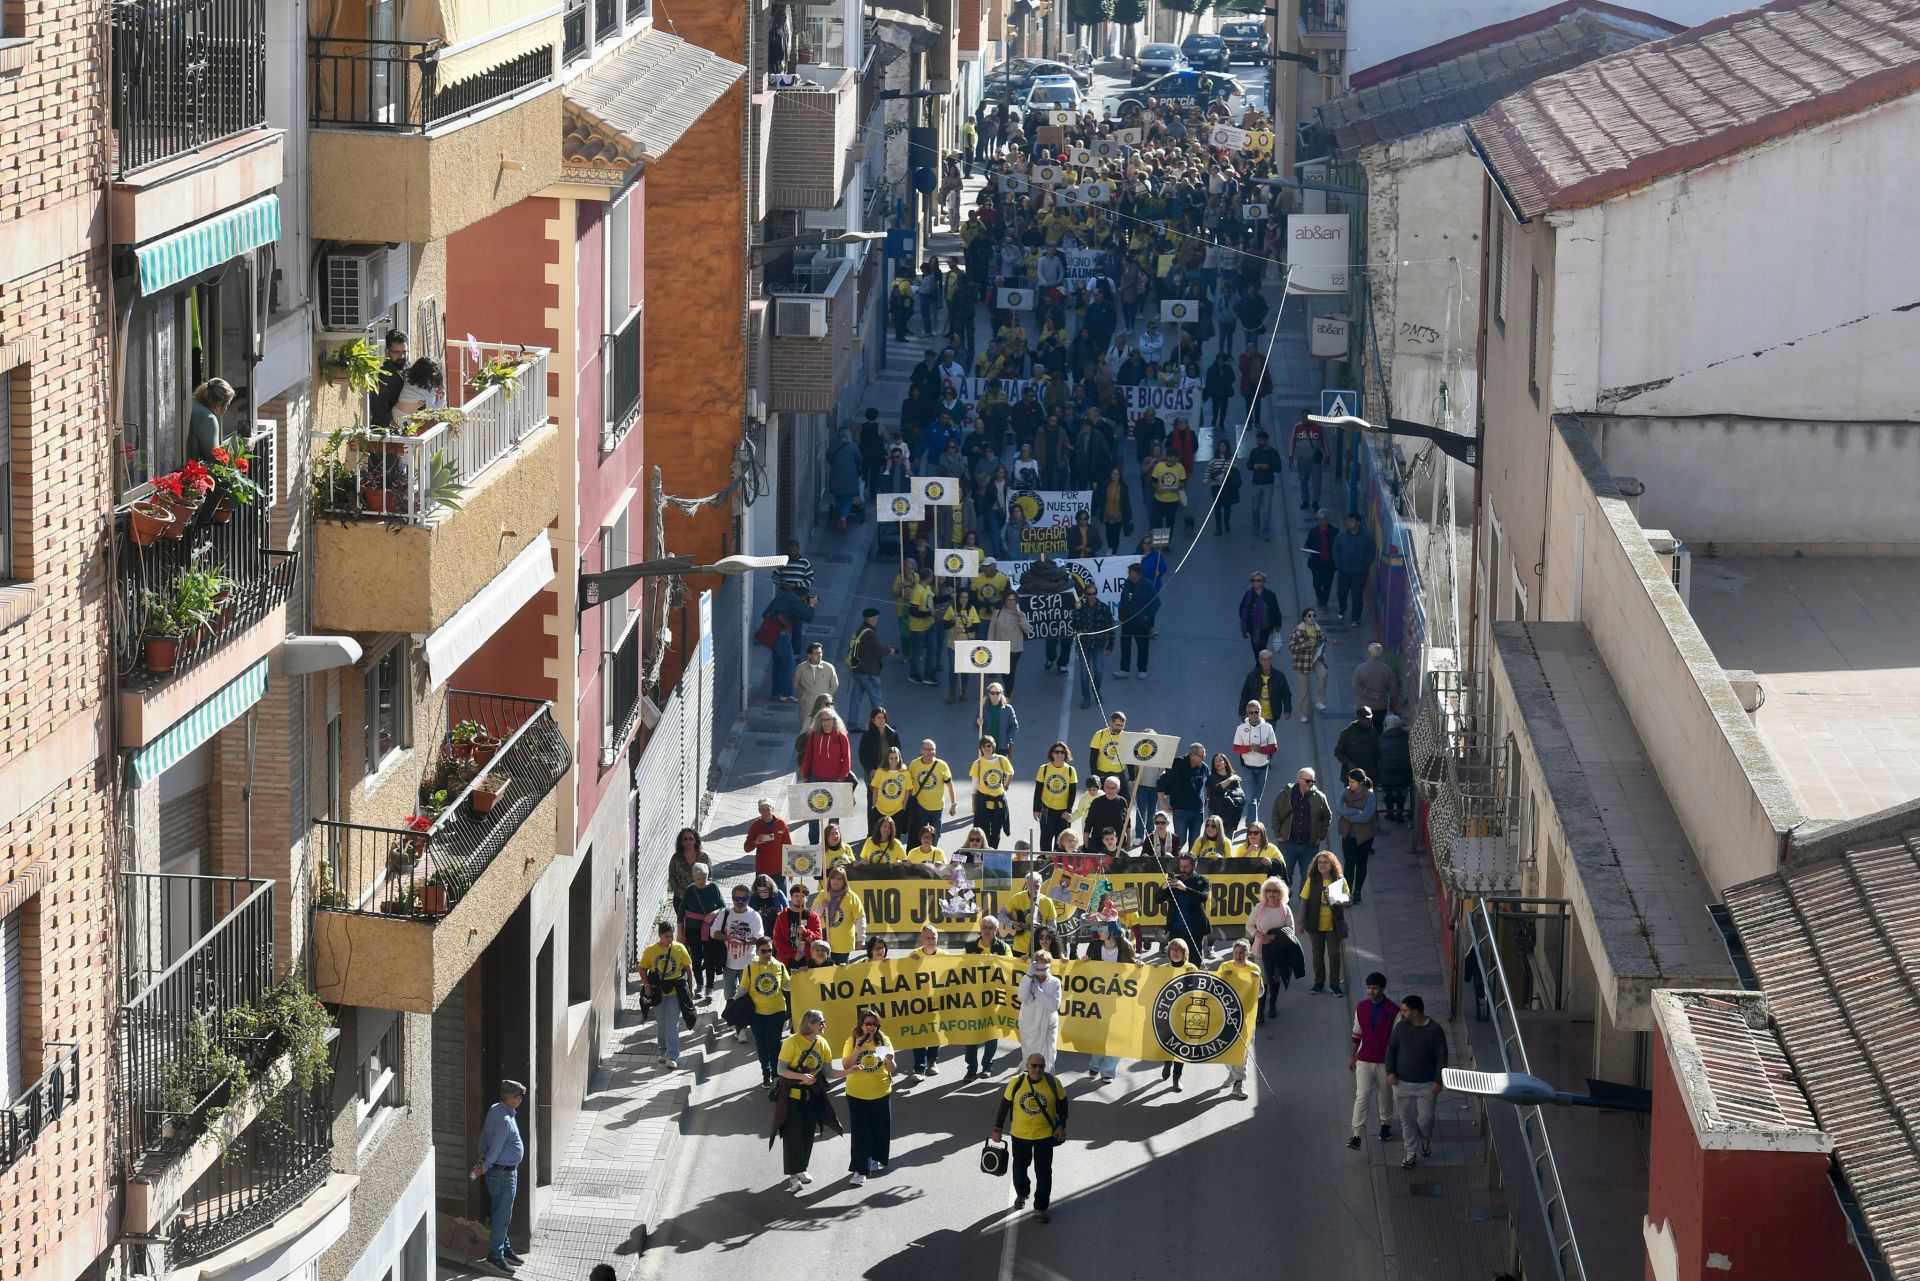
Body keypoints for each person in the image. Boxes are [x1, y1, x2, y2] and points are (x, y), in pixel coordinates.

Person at [992, 1053, 1069, 1224]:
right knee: (1019, 1169)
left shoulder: (1052, 1082)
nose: (1037, 1069)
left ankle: (1040, 1207)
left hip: (1045, 1136)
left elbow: (1063, 1102)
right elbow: (1004, 1106)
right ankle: (1022, 1192)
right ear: (1027, 1067)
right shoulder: (1016, 1082)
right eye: (1034, 1066)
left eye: (1041, 1066)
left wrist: (1061, 1124)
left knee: (1043, 1172)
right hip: (1020, 1135)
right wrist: (997, 1129)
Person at [774, 1010, 841, 1192]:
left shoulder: (822, 1043)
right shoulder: (792, 1042)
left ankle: (801, 1169)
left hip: (812, 1098)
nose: (823, 1025)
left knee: (807, 1135)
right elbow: (781, 1069)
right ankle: (793, 1176)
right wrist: (801, 1076)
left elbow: (828, 1072)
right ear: (810, 1024)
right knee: (792, 1136)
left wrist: (849, 1072)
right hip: (792, 1098)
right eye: (821, 1022)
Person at [1387, 994, 1448, 1169]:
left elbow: (1442, 1057)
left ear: (1415, 1012)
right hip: (1402, 1084)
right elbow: (1391, 1050)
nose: (1401, 1013)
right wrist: (1390, 1071)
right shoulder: (1400, 1028)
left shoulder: (1435, 1031)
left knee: (1425, 1120)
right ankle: (1410, 1152)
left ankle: (1426, 1139)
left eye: (1404, 1010)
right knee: (1406, 1120)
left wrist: (1438, 1080)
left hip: (1427, 1085)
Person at [472, 1080, 527, 1272]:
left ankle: (504, 1250)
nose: (520, 1100)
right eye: (518, 1097)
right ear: (511, 1098)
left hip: (500, 1172)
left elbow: (485, 1135)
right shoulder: (503, 1119)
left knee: (499, 1213)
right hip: (503, 1174)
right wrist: (485, 1165)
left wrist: (481, 1155)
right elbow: (495, 1148)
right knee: (502, 1216)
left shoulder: (495, 1109)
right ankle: (495, 1256)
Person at [839, 1007, 896, 1186]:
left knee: (880, 1128)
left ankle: (876, 1158)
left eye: (874, 1024)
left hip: (880, 1091)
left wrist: (889, 1059)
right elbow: (846, 1064)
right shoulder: (853, 1040)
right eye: (868, 1024)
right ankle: (859, 1169)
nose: (871, 1027)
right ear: (861, 1026)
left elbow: (892, 1068)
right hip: (857, 1093)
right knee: (860, 1132)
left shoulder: (883, 1040)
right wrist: (858, 1049)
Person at [1080, 923, 1135, 1082]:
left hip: (1120, 1000)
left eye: (1102, 928)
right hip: (1099, 999)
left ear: (1112, 930)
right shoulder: (1095, 945)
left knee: (1116, 1034)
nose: (1099, 931)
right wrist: (1083, 962)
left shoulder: (1125, 946)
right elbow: (1087, 969)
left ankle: (1108, 1071)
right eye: (1098, 928)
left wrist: (1138, 964)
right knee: (1099, 1033)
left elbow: (1135, 971)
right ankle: (1095, 1065)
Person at [1347, 972, 1397, 1151]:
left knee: (1385, 1095)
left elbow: (1396, 1040)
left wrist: (1394, 1067)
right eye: (1368, 987)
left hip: (1385, 1062)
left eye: (1374, 988)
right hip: (1364, 1060)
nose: (1370, 991)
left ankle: (1385, 1125)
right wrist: (1352, 1057)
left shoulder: (1394, 1010)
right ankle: (1356, 1135)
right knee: (1361, 1097)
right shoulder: (1361, 1008)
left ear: (1382, 988)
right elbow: (1356, 1033)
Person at [638, 921, 694, 1067]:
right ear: (660, 936)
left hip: (675, 991)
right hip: (658, 991)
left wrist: (691, 989)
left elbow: (688, 969)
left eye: (671, 936)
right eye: (666, 936)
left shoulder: (679, 948)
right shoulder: (651, 951)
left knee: (671, 1022)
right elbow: (643, 968)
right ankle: (662, 1051)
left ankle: (673, 1056)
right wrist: (647, 985)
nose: (670, 939)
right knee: (661, 1022)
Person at [963, 918, 1011, 1079]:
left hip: (994, 998)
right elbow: (960, 968)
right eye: (984, 927)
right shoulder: (969, 947)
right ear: (980, 928)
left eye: (991, 927)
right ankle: (971, 1068)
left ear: (996, 930)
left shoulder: (1004, 948)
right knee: (971, 1034)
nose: (987, 930)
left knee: (991, 1033)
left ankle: (987, 1066)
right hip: (974, 998)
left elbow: (1010, 969)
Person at [1299, 850, 1351, 995]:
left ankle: (1334, 984)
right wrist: (1300, 922)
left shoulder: (1339, 879)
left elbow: (1348, 898)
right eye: (1320, 862)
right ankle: (1319, 983)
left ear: (1332, 864)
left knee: (1334, 954)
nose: (1322, 865)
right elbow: (1304, 901)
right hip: (1315, 926)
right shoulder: (1312, 879)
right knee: (1317, 955)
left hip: (1334, 925)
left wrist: (1342, 899)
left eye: (1325, 862)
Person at [1216, 940, 1264, 1099]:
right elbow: (1215, 989)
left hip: (1245, 1018)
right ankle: (1232, 1073)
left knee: (1242, 1051)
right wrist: (1223, 977)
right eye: (1236, 953)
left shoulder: (1254, 969)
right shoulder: (1225, 967)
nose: (1238, 956)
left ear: (1248, 954)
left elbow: (1260, 993)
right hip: (1227, 1016)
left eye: (1242, 953)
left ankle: (1238, 1084)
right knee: (1225, 1050)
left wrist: (1257, 981)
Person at [1246, 877, 1298, 1021]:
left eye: (1275, 891)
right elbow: (1249, 926)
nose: (1271, 893)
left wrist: (1274, 937)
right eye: (1268, 890)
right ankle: (1260, 1011)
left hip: (1279, 951)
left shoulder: (1285, 909)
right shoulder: (1258, 908)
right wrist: (1260, 935)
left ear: (1280, 893)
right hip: (1261, 950)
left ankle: (1273, 1004)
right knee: (1262, 980)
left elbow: (1291, 929)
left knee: (1275, 978)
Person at [744, 938, 791, 1086]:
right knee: (761, 1044)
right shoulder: (750, 967)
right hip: (756, 1014)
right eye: (763, 951)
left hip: (776, 1011)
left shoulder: (779, 966)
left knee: (774, 1044)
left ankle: (776, 1075)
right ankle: (766, 1072)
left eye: (769, 950)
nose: (767, 954)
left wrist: (797, 976)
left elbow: (787, 987)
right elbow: (743, 989)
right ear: (757, 951)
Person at [1156, 938, 1200, 1091]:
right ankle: (1167, 1062)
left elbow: (1197, 991)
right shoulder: (1163, 968)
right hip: (1166, 1015)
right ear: (1168, 952)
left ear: (1184, 953)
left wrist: (1191, 977)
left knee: (1181, 1047)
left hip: (1184, 1014)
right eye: (1172, 949)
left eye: (1178, 950)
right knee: (1168, 1044)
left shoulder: (1191, 968)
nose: (1175, 952)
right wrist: (1152, 972)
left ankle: (1177, 1076)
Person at [763, 578, 816, 703]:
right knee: (790, 664)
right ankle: (785, 694)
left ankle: (776, 693)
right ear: (803, 597)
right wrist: (811, 605)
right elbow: (808, 616)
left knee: (778, 663)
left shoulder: (785, 597)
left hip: (771, 634)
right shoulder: (794, 600)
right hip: (781, 635)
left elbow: (765, 613)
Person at [716, 883, 768, 1010]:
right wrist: (727, 938)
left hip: (747, 963)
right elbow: (714, 932)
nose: (739, 902)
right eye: (736, 899)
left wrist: (744, 942)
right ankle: (731, 1017)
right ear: (732, 898)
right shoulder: (725, 913)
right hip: (728, 963)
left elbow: (759, 938)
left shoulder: (754, 916)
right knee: (729, 996)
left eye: (743, 899)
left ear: (748, 899)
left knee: (746, 996)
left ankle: (743, 1022)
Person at [677, 863, 725, 1001]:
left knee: (709, 958)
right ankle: (700, 985)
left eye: (704, 877)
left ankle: (710, 987)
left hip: (710, 929)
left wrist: (714, 913)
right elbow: (681, 913)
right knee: (696, 959)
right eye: (698, 879)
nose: (702, 881)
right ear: (693, 878)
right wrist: (680, 933)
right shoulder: (689, 890)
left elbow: (722, 907)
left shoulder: (713, 887)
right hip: (693, 930)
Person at [905, 926, 946, 1077]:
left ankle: (932, 1062)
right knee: (919, 1034)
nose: (930, 941)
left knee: (935, 1032)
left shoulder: (945, 956)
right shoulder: (913, 955)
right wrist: (910, 963)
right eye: (927, 938)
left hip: (938, 1002)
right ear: (922, 939)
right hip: (918, 1003)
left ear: (937, 939)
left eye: (933, 937)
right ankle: (919, 1068)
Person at [1336, 769, 1381, 904]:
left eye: (1352, 782)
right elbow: (1340, 809)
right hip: (1348, 835)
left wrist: (1348, 816)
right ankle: (1347, 892)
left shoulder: (1370, 795)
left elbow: (1366, 817)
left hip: (1364, 836)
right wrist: (1355, 811)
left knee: (1361, 864)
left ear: (1360, 782)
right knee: (1349, 864)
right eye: (1349, 781)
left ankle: (1358, 892)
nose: (1349, 784)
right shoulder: (1345, 792)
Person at [1230, 700, 1278, 822]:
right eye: (1251, 712)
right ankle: (1251, 824)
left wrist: (1261, 749)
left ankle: (1251, 820)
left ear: (1260, 713)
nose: (1253, 715)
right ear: (1247, 714)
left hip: (1263, 766)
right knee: (1251, 797)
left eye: (1256, 712)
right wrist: (1249, 748)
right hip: (1247, 767)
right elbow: (1235, 748)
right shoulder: (1241, 728)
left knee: (1258, 797)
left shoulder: (1268, 728)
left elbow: (1274, 747)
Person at [1018, 951, 1063, 1071]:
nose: (1041, 969)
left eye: (1044, 965)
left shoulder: (1055, 982)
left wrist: (1038, 991)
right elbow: (1022, 997)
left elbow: (1054, 1005)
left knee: (1048, 1058)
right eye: (1038, 965)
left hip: (1048, 1026)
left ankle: (1048, 1082)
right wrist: (1028, 976)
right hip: (1030, 1027)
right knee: (1030, 1058)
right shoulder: (1028, 980)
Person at [1070, 585, 1114, 709]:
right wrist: (1077, 614)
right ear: (1085, 595)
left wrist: (1110, 646)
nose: (1092, 596)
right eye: (1089, 594)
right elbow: (1074, 624)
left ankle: (1096, 689)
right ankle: (1086, 697)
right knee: (1084, 673)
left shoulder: (1104, 608)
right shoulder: (1080, 608)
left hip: (1099, 645)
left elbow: (1110, 627)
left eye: (1094, 593)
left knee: (1099, 671)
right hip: (1083, 645)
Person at [847, 610, 892, 728]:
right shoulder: (870, 634)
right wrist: (890, 650)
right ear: (872, 619)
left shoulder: (860, 630)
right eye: (876, 619)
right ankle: (881, 724)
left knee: (856, 699)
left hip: (858, 670)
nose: (877, 621)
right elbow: (880, 651)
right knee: (877, 700)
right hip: (869, 671)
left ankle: (852, 724)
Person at [905, 739, 958, 840]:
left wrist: (953, 804)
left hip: (937, 807)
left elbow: (949, 785)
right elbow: (908, 785)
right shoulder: (914, 764)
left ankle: (933, 855)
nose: (930, 752)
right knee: (919, 836)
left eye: (933, 749)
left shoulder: (942, 765)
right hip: (920, 807)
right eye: (927, 749)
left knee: (935, 836)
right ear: (921, 750)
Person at [969, 736, 1015, 848]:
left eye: (988, 745)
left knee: (996, 831)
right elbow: (974, 785)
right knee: (982, 832)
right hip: (983, 801)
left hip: (998, 803)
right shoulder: (978, 763)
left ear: (993, 746)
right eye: (983, 746)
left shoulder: (1002, 760)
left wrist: (1005, 787)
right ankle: (983, 854)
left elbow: (1010, 773)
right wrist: (974, 803)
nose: (986, 748)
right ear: (981, 748)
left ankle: (993, 852)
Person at [1115, 563, 1159, 679]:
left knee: (1142, 646)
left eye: (1130, 572)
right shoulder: (1128, 583)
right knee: (1125, 645)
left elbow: (1156, 602)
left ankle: (1142, 669)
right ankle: (1125, 669)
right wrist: (1121, 613)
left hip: (1141, 623)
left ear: (1137, 574)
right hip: (1127, 620)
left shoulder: (1148, 586)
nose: (1128, 574)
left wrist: (1146, 616)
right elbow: (1123, 599)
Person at [1164, 854, 1211, 961]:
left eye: (1186, 867)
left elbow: (1203, 897)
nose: (1183, 869)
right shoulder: (1174, 880)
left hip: (1194, 930)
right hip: (1176, 930)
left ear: (1194, 867)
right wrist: (1163, 887)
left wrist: (1185, 888)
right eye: (1181, 866)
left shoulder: (1203, 881)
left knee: (1194, 962)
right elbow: (1158, 899)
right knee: (1176, 962)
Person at [1160, 742, 1208, 846]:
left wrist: (1207, 798)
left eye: (1204, 755)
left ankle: (1191, 862)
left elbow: (1208, 784)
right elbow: (1162, 782)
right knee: (1180, 841)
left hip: (1198, 811)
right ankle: (1175, 861)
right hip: (1180, 810)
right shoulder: (1177, 764)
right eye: (1201, 755)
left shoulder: (1204, 768)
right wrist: (1163, 802)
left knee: (1195, 843)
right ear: (1192, 755)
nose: (1204, 757)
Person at [1032, 741, 1078, 851]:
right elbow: (1038, 790)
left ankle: (1059, 864)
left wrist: (1069, 810)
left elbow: (1072, 793)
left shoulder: (1071, 770)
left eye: (1062, 752)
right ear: (1052, 754)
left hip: (1063, 812)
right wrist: (1036, 809)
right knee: (1045, 838)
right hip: (1045, 809)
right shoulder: (1044, 769)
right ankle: (1045, 862)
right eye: (1057, 752)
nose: (1059, 755)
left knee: (1062, 840)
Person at [1333, 511, 1375, 626]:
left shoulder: (1366, 537)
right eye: (1348, 520)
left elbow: (1371, 552)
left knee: (1357, 595)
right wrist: (1339, 564)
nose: (1348, 523)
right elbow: (1335, 549)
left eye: (1351, 521)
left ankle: (1355, 618)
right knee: (1341, 592)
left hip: (1359, 573)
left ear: (1358, 523)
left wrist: (1364, 565)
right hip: (1344, 572)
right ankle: (1342, 608)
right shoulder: (1341, 535)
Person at [942, 586, 982, 704]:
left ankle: (963, 692)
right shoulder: (951, 608)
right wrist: (951, 621)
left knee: (964, 669)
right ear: (958, 598)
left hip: (966, 645)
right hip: (953, 644)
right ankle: (951, 694)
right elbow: (945, 625)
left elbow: (976, 626)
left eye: (966, 597)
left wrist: (964, 630)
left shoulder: (972, 609)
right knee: (953, 669)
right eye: (962, 597)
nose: (964, 599)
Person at [1288, 608, 1330, 718]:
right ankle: (1303, 713)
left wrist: (1321, 641)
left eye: (1314, 615)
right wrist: (1305, 644)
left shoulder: (1317, 629)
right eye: (1309, 615)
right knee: (1304, 690)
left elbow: (1323, 641)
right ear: (1304, 618)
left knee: (1324, 674)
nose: (1312, 618)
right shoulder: (1298, 631)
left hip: (1315, 659)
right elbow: (1292, 647)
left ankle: (1320, 701)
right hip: (1302, 662)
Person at [819, 866, 866, 962]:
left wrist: (861, 938)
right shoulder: (823, 894)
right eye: (833, 878)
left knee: (840, 974)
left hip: (843, 945)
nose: (835, 881)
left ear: (844, 881)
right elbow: (813, 915)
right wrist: (821, 906)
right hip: (824, 943)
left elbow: (860, 918)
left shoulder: (851, 896)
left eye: (839, 879)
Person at [744, 800, 793, 889]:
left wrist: (790, 870)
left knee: (780, 900)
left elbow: (788, 847)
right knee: (763, 900)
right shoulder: (755, 826)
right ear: (759, 811)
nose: (766, 812)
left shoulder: (781, 824)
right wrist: (755, 842)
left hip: (779, 871)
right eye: (763, 810)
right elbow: (746, 848)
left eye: (768, 809)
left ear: (772, 809)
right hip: (762, 871)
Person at [1237, 572, 1284, 663]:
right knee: (1255, 647)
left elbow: (1276, 611)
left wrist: (1277, 627)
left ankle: (1261, 665)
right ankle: (1259, 662)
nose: (1256, 582)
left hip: (1266, 627)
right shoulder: (1248, 595)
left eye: (1258, 580)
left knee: (1262, 647)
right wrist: (1245, 622)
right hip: (1253, 628)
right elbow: (1242, 610)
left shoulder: (1270, 595)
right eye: (1253, 580)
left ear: (1263, 582)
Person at [772, 884, 821, 969]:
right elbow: (777, 940)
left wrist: (806, 932)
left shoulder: (813, 916)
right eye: (796, 896)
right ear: (791, 897)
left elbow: (818, 939)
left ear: (807, 898)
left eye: (802, 896)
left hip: (808, 961)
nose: (799, 898)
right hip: (787, 960)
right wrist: (793, 954)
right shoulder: (782, 916)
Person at [988, 596, 1030, 695]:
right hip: (1001, 647)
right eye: (1009, 600)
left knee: (1011, 671)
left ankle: (1008, 693)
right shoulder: (997, 613)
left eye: (1013, 600)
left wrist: (1021, 619)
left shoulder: (1021, 614)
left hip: (1016, 648)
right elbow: (991, 630)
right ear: (1005, 601)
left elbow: (1028, 630)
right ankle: (1007, 688)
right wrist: (990, 644)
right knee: (1004, 671)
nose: (1011, 602)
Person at [187, 378, 236, 461]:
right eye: (227, 404)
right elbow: (214, 460)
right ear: (218, 405)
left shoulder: (191, 402)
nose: (227, 408)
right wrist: (242, 446)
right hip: (190, 471)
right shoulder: (208, 419)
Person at [1239, 648, 1293, 724]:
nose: (1266, 662)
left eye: (1268, 659)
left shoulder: (1279, 676)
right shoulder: (1252, 676)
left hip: (1272, 717)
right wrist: (1242, 712)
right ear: (1260, 661)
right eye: (1264, 660)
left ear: (1272, 660)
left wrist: (1288, 709)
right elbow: (1245, 694)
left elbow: (1286, 694)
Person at [1377, 713, 1413, 822]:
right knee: (1402, 793)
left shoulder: (1382, 738)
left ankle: (1390, 813)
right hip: (1404, 773)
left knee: (1388, 793)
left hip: (1387, 773)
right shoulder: (1406, 737)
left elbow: (1378, 754)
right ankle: (1400, 815)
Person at [1245, 429, 1281, 540]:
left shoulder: (1273, 453)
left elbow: (1279, 468)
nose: (1258, 443)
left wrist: (1269, 467)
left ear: (1266, 441)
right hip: (1256, 483)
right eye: (1257, 441)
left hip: (1268, 484)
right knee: (1255, 508)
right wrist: (1253, 466)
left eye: (1260, 441)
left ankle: (1266, 530)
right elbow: (1249, 464)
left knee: (1266, 509)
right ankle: (1256, 525)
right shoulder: (1254, 452)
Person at [369, 330, 410, 428]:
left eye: (405, 352)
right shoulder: (380, 377)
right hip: (389, 435)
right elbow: (381, 417)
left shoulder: (410, 369)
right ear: (387, 352)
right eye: (397, 352)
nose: (402, 356)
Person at [1334, 706, 1380, 789]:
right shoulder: (1347, 733)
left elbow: (1378, 753)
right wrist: (1348, 762)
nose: (1367, 721)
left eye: (1369, 719)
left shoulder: (1374, 733)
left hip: (1368, 774)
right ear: (1359, 718)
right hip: (1352, 773)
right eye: (1364, 719)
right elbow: (1338, 751)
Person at [827, 429, 864, 532]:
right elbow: (860, 460)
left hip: (836, 476)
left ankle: (839, 517)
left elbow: (829, 459)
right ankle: (843, 517)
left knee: (838, 498)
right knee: (848, 499)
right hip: (850, 477)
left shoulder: (832, 446)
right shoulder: (853, 447)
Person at [1352, 641, 1399, 721]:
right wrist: (1392, 705)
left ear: (1369, 654)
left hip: (1364, 706)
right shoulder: (1387, 669)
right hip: (1380, 706)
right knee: (1378, 728)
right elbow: (1393, 690)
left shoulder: (1361, 668)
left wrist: (1370, 694)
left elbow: (1355, 686)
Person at [1288, 410, 1325, 511]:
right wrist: (1291, 456)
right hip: (1302, 460)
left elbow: (1324, 441)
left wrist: (1328, 456)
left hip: (1315, 461)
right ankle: (1305, 500)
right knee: (1303, 480)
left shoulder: (1318, 427)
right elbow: (1292, 442)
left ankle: (1315, 502)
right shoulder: (1297, 427)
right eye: (1304, 417)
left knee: (1317, 481)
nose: (1305, 419)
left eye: (1307, 417)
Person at [1303, 508, 1338, 610]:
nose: (1322, 522)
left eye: (1324, 520)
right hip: (1316, 563)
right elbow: (1307, 544)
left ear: (1327, 520)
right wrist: (1307, 551)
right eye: (1320, 520)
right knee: (1317, 583)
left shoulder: (1335, 532)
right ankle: (1319, 595)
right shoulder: (1313, 532)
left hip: (1329, 564)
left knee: (1327, 584)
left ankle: (1324, 602)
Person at [1205, 439, 1241, 536]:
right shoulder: (1213, 460)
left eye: (1224, 446)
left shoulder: (1231, 459)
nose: (1222, 448)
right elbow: (1208, 472)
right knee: (1217, 507)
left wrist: (1228, 473)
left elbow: (1235, 473)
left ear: (1227, 447)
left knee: (1227, 506)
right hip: (1216, 486)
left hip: (1227, 487)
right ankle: (1219, 527)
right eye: (1220, 446)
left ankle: (1226, 522)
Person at [1206, 753, 1246, 837]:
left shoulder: (1233, 777)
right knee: (1214, 840)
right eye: (1215, 761)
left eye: (1220, 760)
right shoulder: (1211, 778)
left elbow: (1241, 795)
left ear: (1225, 762)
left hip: (1230, 814)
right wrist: (1229, 780)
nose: (1218, 763)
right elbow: (1215, 790)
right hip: (1216, 813)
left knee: (1227, 841)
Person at [1083, 776, 1130, 847]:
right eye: (1107, 787)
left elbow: (1127, 823)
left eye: (1112, 788)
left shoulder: (1122, 802)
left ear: (1118, 789)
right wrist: (1086, 843)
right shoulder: (1096, 802)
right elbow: (1088, 824)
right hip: (1098, 844)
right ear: (1104, 787)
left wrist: (1129, 840)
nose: (1109, 790)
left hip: (1117, 844)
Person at [978, 682, 1020, 758]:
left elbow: (1014, 726)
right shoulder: (983, 709)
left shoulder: (1008, 709)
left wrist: (1008, 739)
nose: (995, 695)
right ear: (989, 694)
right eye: (992, 693)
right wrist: (979, 723)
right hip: (987, 747)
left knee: (1001, 769)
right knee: (988, 769)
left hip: (1002, 747)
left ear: (1001, 694)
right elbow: (978, 727)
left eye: (998, 693)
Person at [1086, 710, 1128, 784]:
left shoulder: (1126, 736)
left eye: (1122, 726)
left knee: (1126, 796)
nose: (1119, 728)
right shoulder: (1099, 734)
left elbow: (1129, 758)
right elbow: (1093, 759)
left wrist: (1132, 778)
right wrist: (1095, 777)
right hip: (1102, 773)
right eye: (1117, 725)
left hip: (1119, 773)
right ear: (1110, 723)